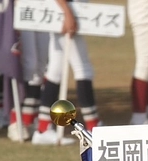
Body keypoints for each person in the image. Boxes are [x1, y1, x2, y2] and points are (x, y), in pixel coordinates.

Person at [33, 0, 101, 144]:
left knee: (55, 71)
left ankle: (43, 127)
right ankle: (93, 126)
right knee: (83, 70)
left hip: (66, 11)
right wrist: (67, 12)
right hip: (67, 11)